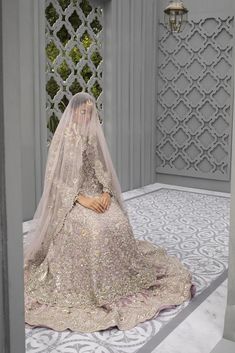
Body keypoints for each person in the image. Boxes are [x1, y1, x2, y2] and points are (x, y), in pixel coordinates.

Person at [24, 92, 196, 332]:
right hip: (74, 200)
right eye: (83, 111)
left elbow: (101, 170)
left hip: (97, 194)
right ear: (73, 112)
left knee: (116, 221)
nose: (87, 116)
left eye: (90, 112)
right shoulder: (63, 139)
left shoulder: (93, 137)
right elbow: (55, 180)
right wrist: (79, 198)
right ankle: (94, 286)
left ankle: (120, 279)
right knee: (94, 229)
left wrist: (105, 192)